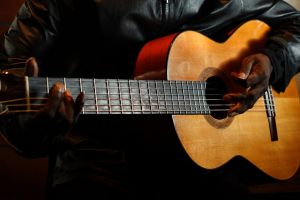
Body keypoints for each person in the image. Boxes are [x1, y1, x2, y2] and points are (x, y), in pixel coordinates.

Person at [1, 0, 300, 199]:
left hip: (200, 166)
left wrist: (272, 60)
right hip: (98, 163)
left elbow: (295, 25)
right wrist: (33, 127)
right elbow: (10, 84)